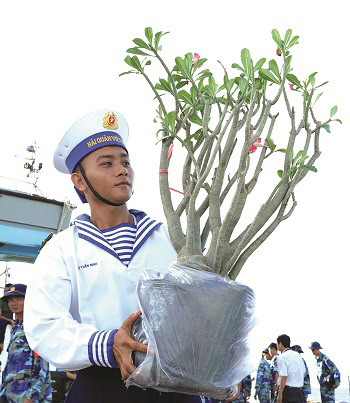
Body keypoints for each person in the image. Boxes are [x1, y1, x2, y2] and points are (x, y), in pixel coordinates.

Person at [23, 110, 204, 402]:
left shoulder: (171, 237)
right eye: (106, 163)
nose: (122, 170)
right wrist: (108, 344)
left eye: (125, 161)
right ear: (80, 181)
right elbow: (45, 326)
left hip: (176, 387)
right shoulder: (61, 249)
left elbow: (203, 306)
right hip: (101, 387)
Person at [0, 284, 52, 403]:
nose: (14, 303)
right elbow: (9, 364)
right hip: (11, 394)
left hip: (30, 396)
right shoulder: (15, 328)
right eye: (11, 300)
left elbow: (42, 365)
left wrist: (31, 396)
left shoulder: (36, 326)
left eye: (19, 299)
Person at [276, 334, 305, 403]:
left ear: (280, 343)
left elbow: (284, 376)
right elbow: (303, 371)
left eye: (277, 343)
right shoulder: (298, 355)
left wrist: (280, 393)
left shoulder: (281, 357)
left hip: (287, 392)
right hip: (299, 392)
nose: (277, 346)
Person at [0, 284, 14, 352]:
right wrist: (10, 320)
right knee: (2, 322)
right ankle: (1, 342)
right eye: (4, 291)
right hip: (3, 320)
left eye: (6, 291)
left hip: (10, 320)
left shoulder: (13, 302)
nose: (5, 292)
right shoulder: (1, 301)